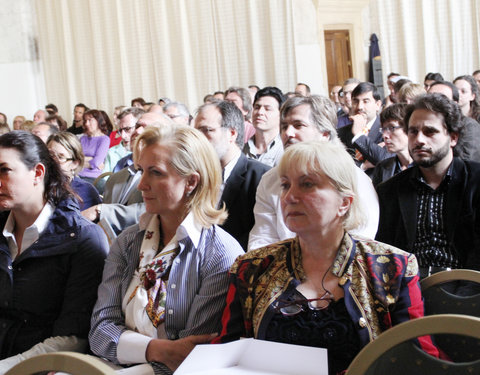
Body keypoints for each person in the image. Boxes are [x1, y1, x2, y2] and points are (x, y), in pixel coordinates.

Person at [214, 141, 438, 375]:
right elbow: (226, 353)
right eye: (285, 185)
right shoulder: (252, 268)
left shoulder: (392, 267)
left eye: (307, 184)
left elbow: (419, 360)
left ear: (344, 202)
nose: (289, 197)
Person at [89, 126, 244, 374]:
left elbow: (189, 358)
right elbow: (99, 332)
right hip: (109, 367)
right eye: (141, 171)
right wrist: (157, 349)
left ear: (191, 181)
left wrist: (130, 348)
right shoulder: (129, 241)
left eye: (155, 173)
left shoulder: (220, 253)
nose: (141, 185)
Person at [0, 131, 108, 371]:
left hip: (41, 366)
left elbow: (73, 337)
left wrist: (7, 367)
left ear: (38, 173)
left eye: (4, 170)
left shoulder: (82, 239)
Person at [248, 95, 379, 251]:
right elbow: (262, 242)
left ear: (324, 134)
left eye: (298, 125)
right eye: (284, 126)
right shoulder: (271, 179)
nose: (288, 133)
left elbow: (360, 242)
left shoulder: (354, 179)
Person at [376, 93, 480, 277]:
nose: (419, 140)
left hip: (469, 288)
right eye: (413, 131)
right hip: (410, 291)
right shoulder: (390, 191)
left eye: (430, 131)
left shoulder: (475, 181)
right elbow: (385, 254)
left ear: (453, 138)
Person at [195, 101, 270, 250]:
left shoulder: (261, 177)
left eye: (207, 130)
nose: (199, 139)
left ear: (232, 133)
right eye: (196, 132)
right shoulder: (194, 176)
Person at [47, 132, 102, 210]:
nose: (52, 161)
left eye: (60, 157)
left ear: (75, 163)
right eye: (50, 155)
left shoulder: (85, 191)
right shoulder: (38, 184)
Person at [243, 86, 286, 167]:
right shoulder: (242, 149)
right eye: (257, 107)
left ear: (281, 114)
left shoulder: (285, 149)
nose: (260, 112)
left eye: (267, 109)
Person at [371, 103, 413, 186]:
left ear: (409, 128)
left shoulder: (427, 166)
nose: (384, 135)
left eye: (391, 128)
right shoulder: (381, 168)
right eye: (383, 129)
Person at [78, 109, 110, 184]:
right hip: (78, 175)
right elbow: (75, 158)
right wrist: (91, 159)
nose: (86, 123)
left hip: (93, 177)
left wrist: (80, 161)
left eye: (90, 120)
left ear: (98, 121)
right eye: (85, 121)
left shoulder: (104, 139)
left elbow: (96, 162)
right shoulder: (83, 138)